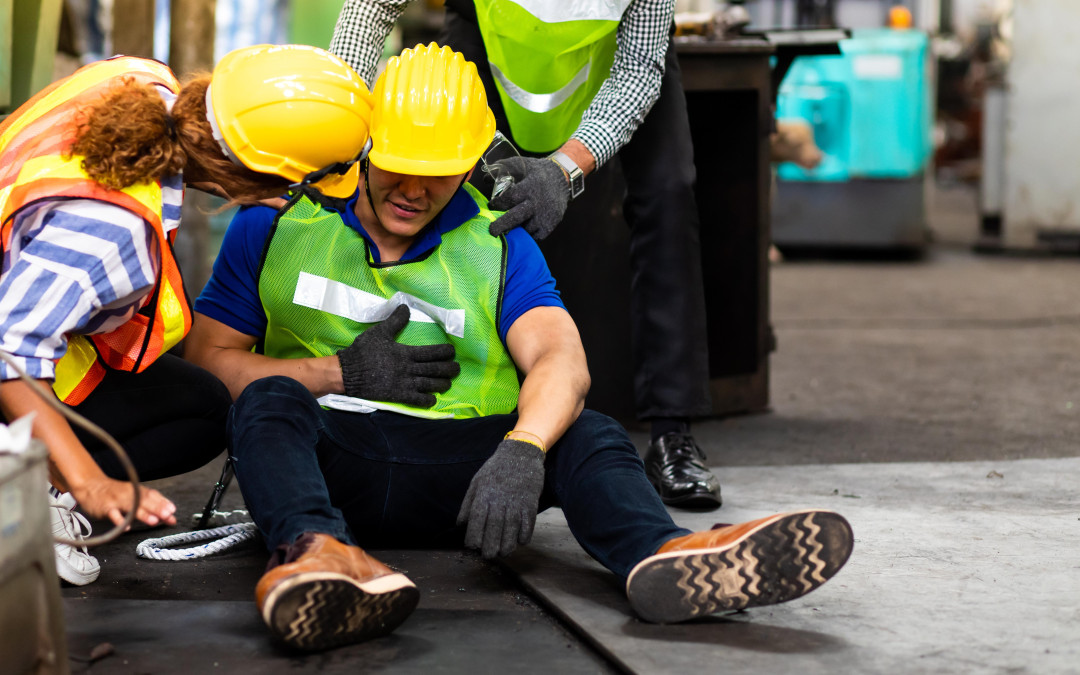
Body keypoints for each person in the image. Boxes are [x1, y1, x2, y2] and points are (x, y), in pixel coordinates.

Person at [186, 43, 852, 653]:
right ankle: (318, 556)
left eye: (440, 173)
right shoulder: (274, 223)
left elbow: (563, 358)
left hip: (469, 484)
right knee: (268, 398)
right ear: (365, 147)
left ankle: (669, 554)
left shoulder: (496, 241)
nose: (415, 191)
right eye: (399, 168)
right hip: (334, 464)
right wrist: (337, 371)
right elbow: (210, 361)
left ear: (473, 162)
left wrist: (523, 449)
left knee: (589, 431)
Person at [0, 44, 373, 586]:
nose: (293, 203)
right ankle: (26, 492)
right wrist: (87, 482)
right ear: (256, 178)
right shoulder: (112, 227)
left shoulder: (140, 81)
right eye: (297, 189)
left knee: (205, 405)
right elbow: (5, 349)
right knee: (189, 421)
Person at [329, 0, 722, 511]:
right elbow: (370, 8)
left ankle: (673, 433)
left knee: (669, 192)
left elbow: (638, 67)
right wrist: (342, 125)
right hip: (488, 41)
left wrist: (563, 169)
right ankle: (462, 400)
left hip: (614, 59)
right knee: (449, 178)